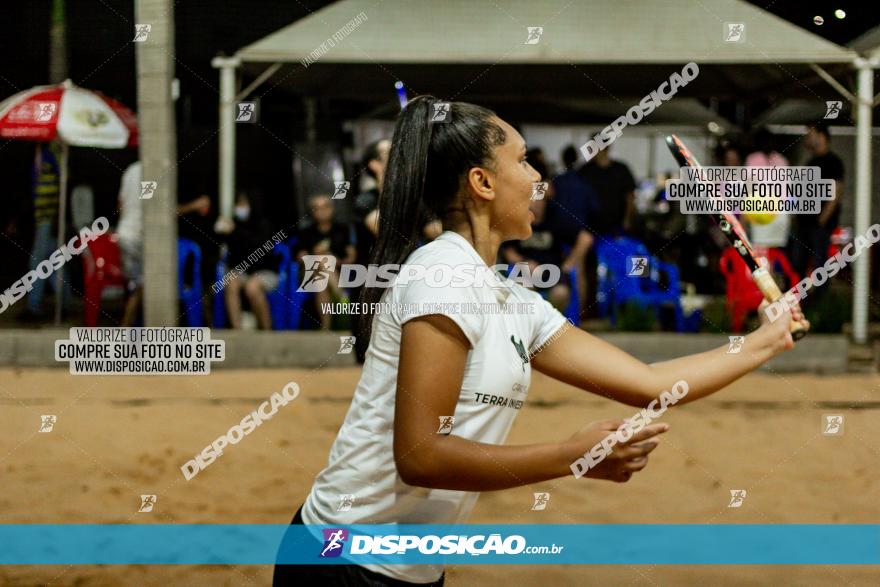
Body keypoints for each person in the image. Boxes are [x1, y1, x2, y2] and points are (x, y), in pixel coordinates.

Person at [273, 96, 808, 586]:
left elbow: (650, 384)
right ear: (482, 183)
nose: (539, 180)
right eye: (524, 161)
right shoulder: (443, 278)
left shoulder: (513, 301)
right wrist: (570, 456)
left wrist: (766, 339)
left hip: (408, 569)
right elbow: (421, 456)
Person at [20, 142, 72, 321]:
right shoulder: (42, 152)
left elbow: (62, 180)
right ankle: (65, 302)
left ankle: (34, 307)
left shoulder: (52, 152)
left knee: (37, 263)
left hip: (48, 218)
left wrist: (58, 216)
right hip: (44, 217)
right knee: (53, 263)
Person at [215, 191, 280, 330]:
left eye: (243, 204)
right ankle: (237, 329)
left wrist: (235, 232)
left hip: (265, 271)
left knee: (252, 287)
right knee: (230, 281)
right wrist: (221, 232)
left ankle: (267, 330)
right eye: (238, 204)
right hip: (243, 272)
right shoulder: (235, 225)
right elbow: (230, 254)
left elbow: (258, 249)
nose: (239, 207)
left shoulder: (264, 225)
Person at [294, 194, 356, 330]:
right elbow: (300, 257)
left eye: (325, 207)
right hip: (309, 272)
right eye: (317, 208)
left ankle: (326, 327)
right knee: (321, 261)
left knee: (320, 280)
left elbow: (351, 258)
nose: (322, 211)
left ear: (332, 209)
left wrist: (336, 261)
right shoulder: (306, 232)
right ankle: (342, 297)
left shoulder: (342, 230)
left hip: (337, 272)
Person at [791, 122, 844, 278]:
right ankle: (800, 299)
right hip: (804, 224)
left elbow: (836, 193)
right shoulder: (811, 163)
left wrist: (821, 221)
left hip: (819, 225)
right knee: (798, 264)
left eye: (810, 134)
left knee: (819, 265)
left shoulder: (833, 162)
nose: (806, 139)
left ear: (821, 136)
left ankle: (820, 299)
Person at [577, 140, 636, 238]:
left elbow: (630, 196)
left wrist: (627, 219)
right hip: (591, 225)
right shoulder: (585, 170)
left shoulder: (621, 169)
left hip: (616, 225)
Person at [744, 129, 791, 251]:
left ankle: (769, 270)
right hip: (764, 210)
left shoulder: (780, 160)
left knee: (770, 249)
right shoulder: (755, 159)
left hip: (774, 210)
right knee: (766, 248)